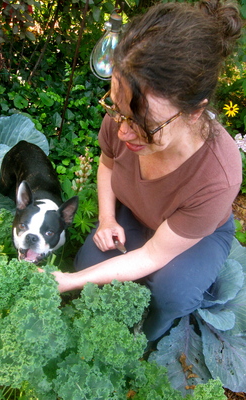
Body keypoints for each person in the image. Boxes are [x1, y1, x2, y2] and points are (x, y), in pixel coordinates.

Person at [51, 0, 243, 342]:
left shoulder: (218, 175)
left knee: (172, 292)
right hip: (134, 213)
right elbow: (107, 165)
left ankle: (147, 340)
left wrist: (66, 282)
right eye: (117, 108)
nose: (123, 132)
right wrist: (108, 219)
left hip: (194, 234)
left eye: (143, 124)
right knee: (87, 266)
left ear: (195, 112)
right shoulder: (126, 113)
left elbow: (155, 253)